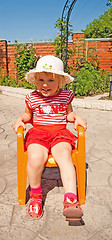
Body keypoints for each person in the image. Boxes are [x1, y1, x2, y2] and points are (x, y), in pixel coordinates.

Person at [13, 55, 87, 220]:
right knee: (35, 158)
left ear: (60, 82)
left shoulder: (65, 96)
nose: (45, 84)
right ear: (35, 80)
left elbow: (69, 115)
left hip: (59, 133)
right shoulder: (32, 98)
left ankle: (70, 199)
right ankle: (36, 196)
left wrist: (77, 118)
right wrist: (20, 119)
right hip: (38, 134)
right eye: (41, 79)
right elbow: (27, 115)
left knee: (65, 157)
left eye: (51, 80)